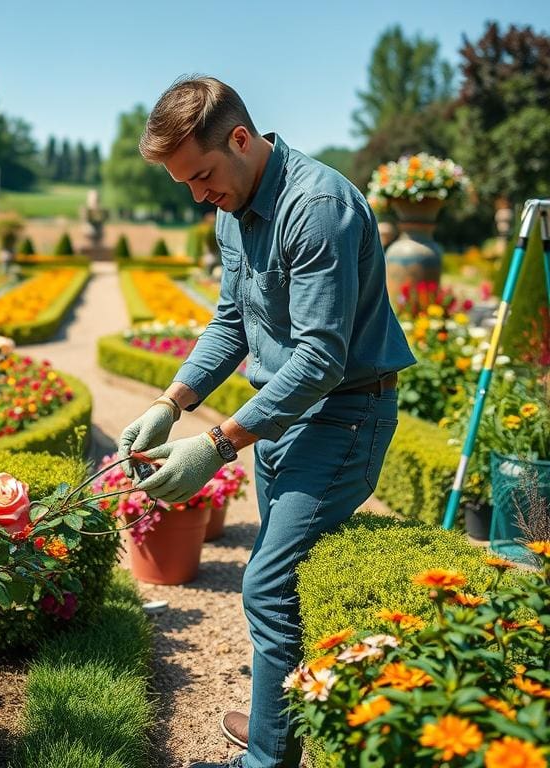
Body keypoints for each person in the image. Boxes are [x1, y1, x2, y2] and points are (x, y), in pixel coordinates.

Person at [117, 76, 415, 768]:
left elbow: (318, 359)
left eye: (202, 175)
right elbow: (232, 323)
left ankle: (267, 758)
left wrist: (216, 444)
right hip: (285, 419)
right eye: (184, 183)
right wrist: (171, 403)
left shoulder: (317, 206)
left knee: (268, 584)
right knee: (282, 580)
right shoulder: (233, 206)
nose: (197, 195)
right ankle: (276, 720)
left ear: (241, 141)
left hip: (343, 415)